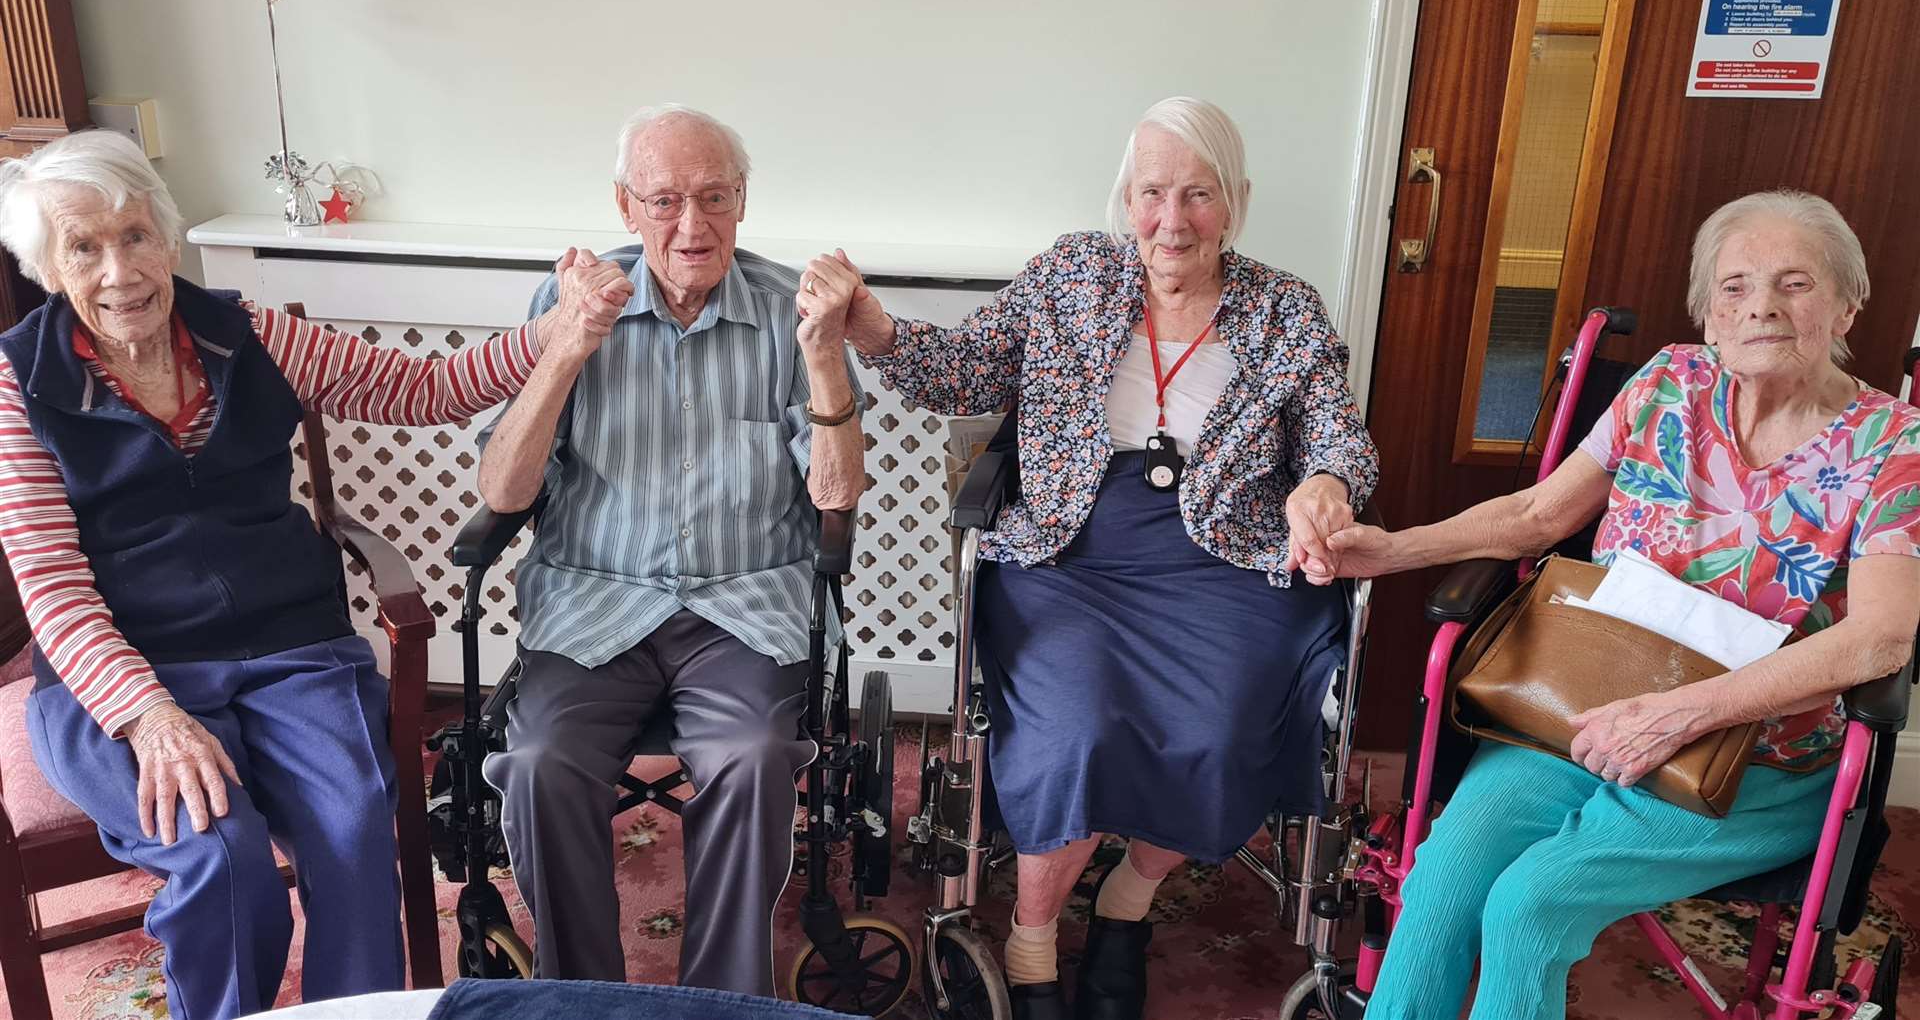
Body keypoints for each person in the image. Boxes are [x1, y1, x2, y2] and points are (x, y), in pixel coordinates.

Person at [0, 129, 629, 1020]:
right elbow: (53, 586)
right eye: (85, 247)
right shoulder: (18, 385)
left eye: (135, 235)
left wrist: (559, 329)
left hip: (290, 645)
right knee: (219, 857)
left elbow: (425, 390)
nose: (119, 271)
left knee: (354, 831)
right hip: (126, 677)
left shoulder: (245, 335)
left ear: (168, 238)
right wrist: (149, 717)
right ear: (46, 268)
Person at [818, 96, 1377, 1020]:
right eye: (1152, 192)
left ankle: (1128, 899)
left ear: (1233, 202)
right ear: (1125, 198)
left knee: (1221, 728)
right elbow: (965, 375)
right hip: (1070, 556)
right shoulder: (1070, 273)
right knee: (1075, 730)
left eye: (1197, 194)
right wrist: (872, 326)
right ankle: (1032, 941)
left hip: (1226, 563)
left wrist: (1324, 481)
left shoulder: (1284, 308)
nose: (1172, 218)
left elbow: (1337, 436)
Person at [1319, 190, 1920, 1020]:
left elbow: (1881, 641)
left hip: (1749, 763)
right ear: (1708, 315)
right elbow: (1540, 515)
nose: (1763, 309)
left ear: (1848, 303)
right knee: (1441, 883)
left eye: (1796, 284)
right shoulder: (1668, 382)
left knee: (1527, 907)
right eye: (1736, 287)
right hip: (1577, 715)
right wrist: (1390, 550)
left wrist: (1677, 716)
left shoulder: (1894, 446)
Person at [475, 104, 865, 997]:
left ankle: (722, 1005)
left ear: (742, 201)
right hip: (595, 599)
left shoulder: (786, 311)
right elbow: (503, 493)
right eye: (664, 201)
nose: (692, 226)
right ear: (625, 207)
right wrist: (569, 346)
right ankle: (581, 1001)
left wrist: (825, 359)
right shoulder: (570, 302)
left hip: (742, 602)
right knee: (538, 766)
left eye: (714, 198)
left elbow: (838, 498)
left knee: (755, 755)